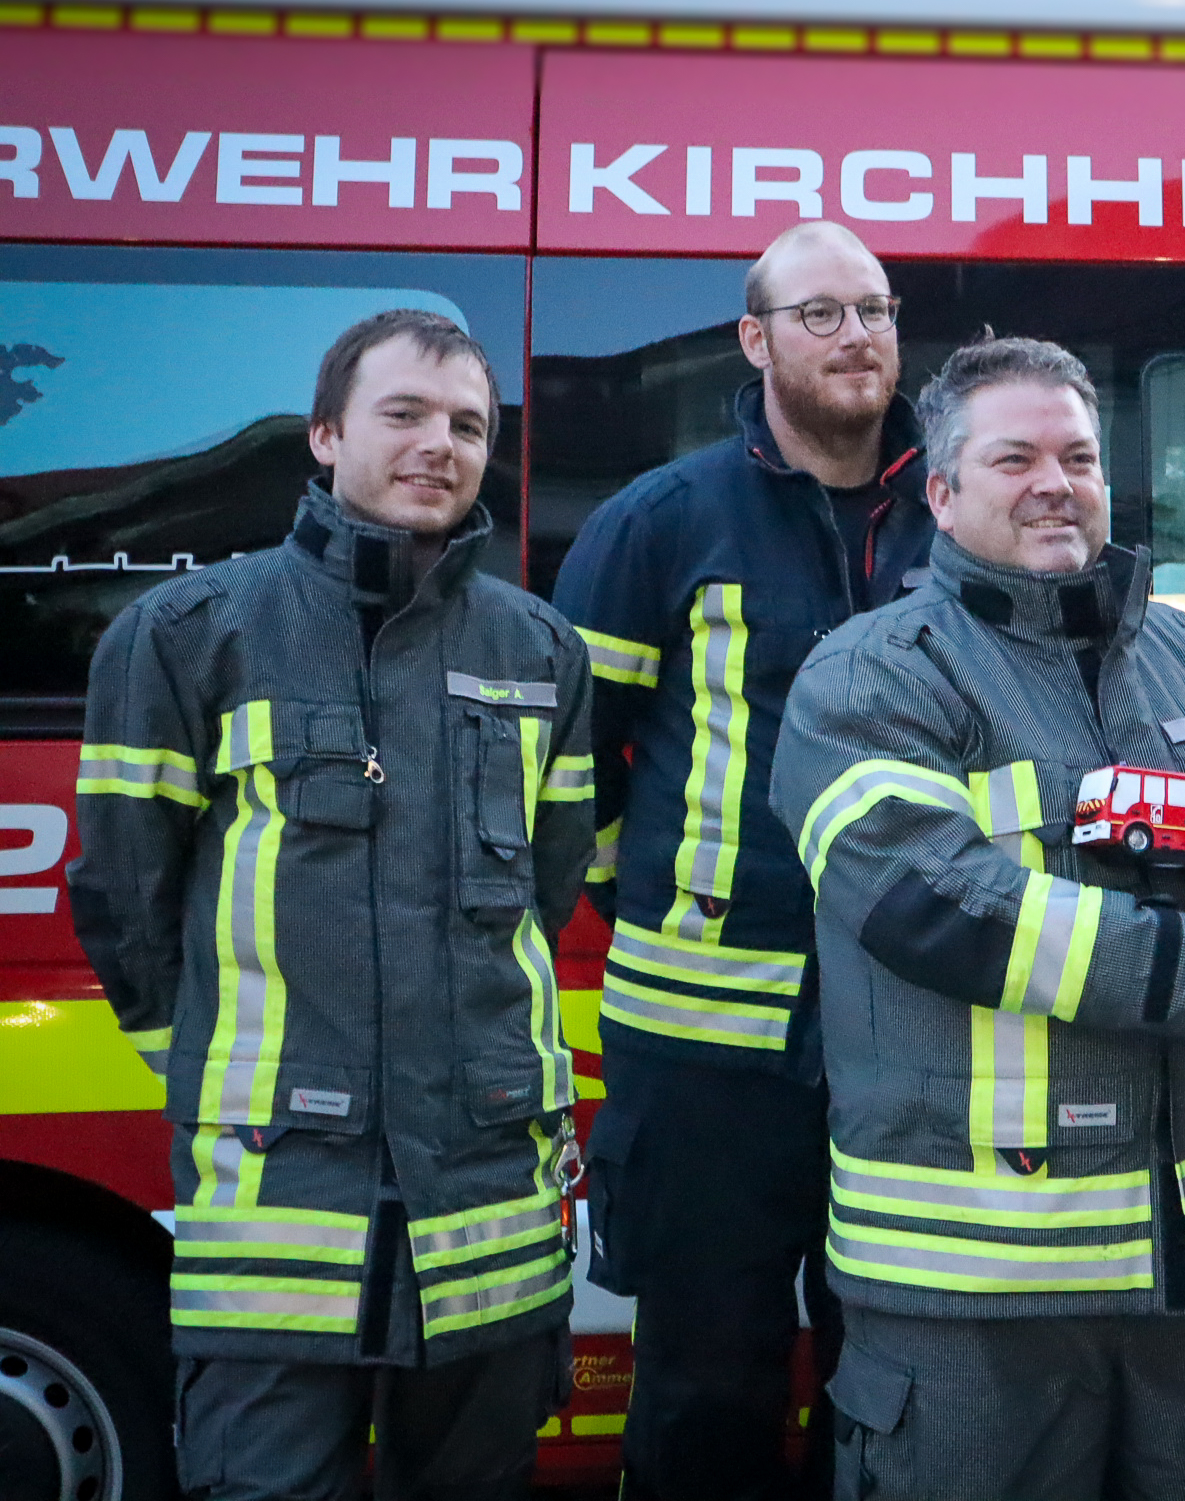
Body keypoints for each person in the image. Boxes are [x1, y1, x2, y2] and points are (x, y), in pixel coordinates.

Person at [766, 335, 1185, 1501]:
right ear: (940, 491)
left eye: (1079, 456)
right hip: (970, 1297)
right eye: (1015, 457)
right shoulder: (869, 674)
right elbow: (928, 898)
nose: (1056, 482)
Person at [67, 309, 592, 1500]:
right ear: (323, 434)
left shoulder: (543, 651)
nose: (438, 446)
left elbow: (547, 887)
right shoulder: (190, 633)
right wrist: (216, 1064)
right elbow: (125, 894)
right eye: (402, 414)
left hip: (487, 1206)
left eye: (467, 425)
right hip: (277, 1197)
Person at [550, 221, 934, 1501]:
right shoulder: (660, 520)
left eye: (874, 310)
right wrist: (646, 890)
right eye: (818, 315)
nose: (856, 337)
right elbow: (571, 759)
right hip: (706, 1045)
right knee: (708, 1380)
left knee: (893, 1369)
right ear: (755, 340)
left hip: (920, 1025)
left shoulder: (956, 512)